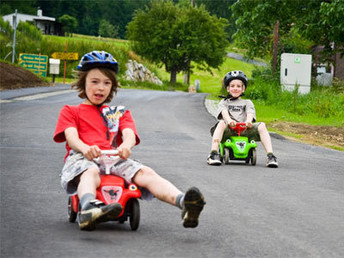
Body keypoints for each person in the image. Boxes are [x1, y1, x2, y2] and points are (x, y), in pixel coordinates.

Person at [53, 50, 205, 231]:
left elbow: (129, 133)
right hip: (83, 158)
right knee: (90, 171)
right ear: (83, 82)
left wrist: (125, 146)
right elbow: (71, 137)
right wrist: (85, 148)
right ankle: (88, 208)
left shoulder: (118, 112)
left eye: (107, 83)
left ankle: (184, 203)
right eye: (94, 82)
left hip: (112, 157)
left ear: (112, 86)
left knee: (146, 173)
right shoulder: (71, 111)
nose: (100, 88)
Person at [207, 70, 278, 168]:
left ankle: (270, 156)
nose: (235, 88)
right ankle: (213, 154)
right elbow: (224, 114)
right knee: (221, 123)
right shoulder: (224, 103)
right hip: (229, 129)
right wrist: (229, 121)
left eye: (238, 86)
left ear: (243, 89)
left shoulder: (247, 102)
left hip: (244, 129)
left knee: (262, 125)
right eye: (232, 86)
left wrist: (248, 121)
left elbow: (250, 113)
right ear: (228, 88)